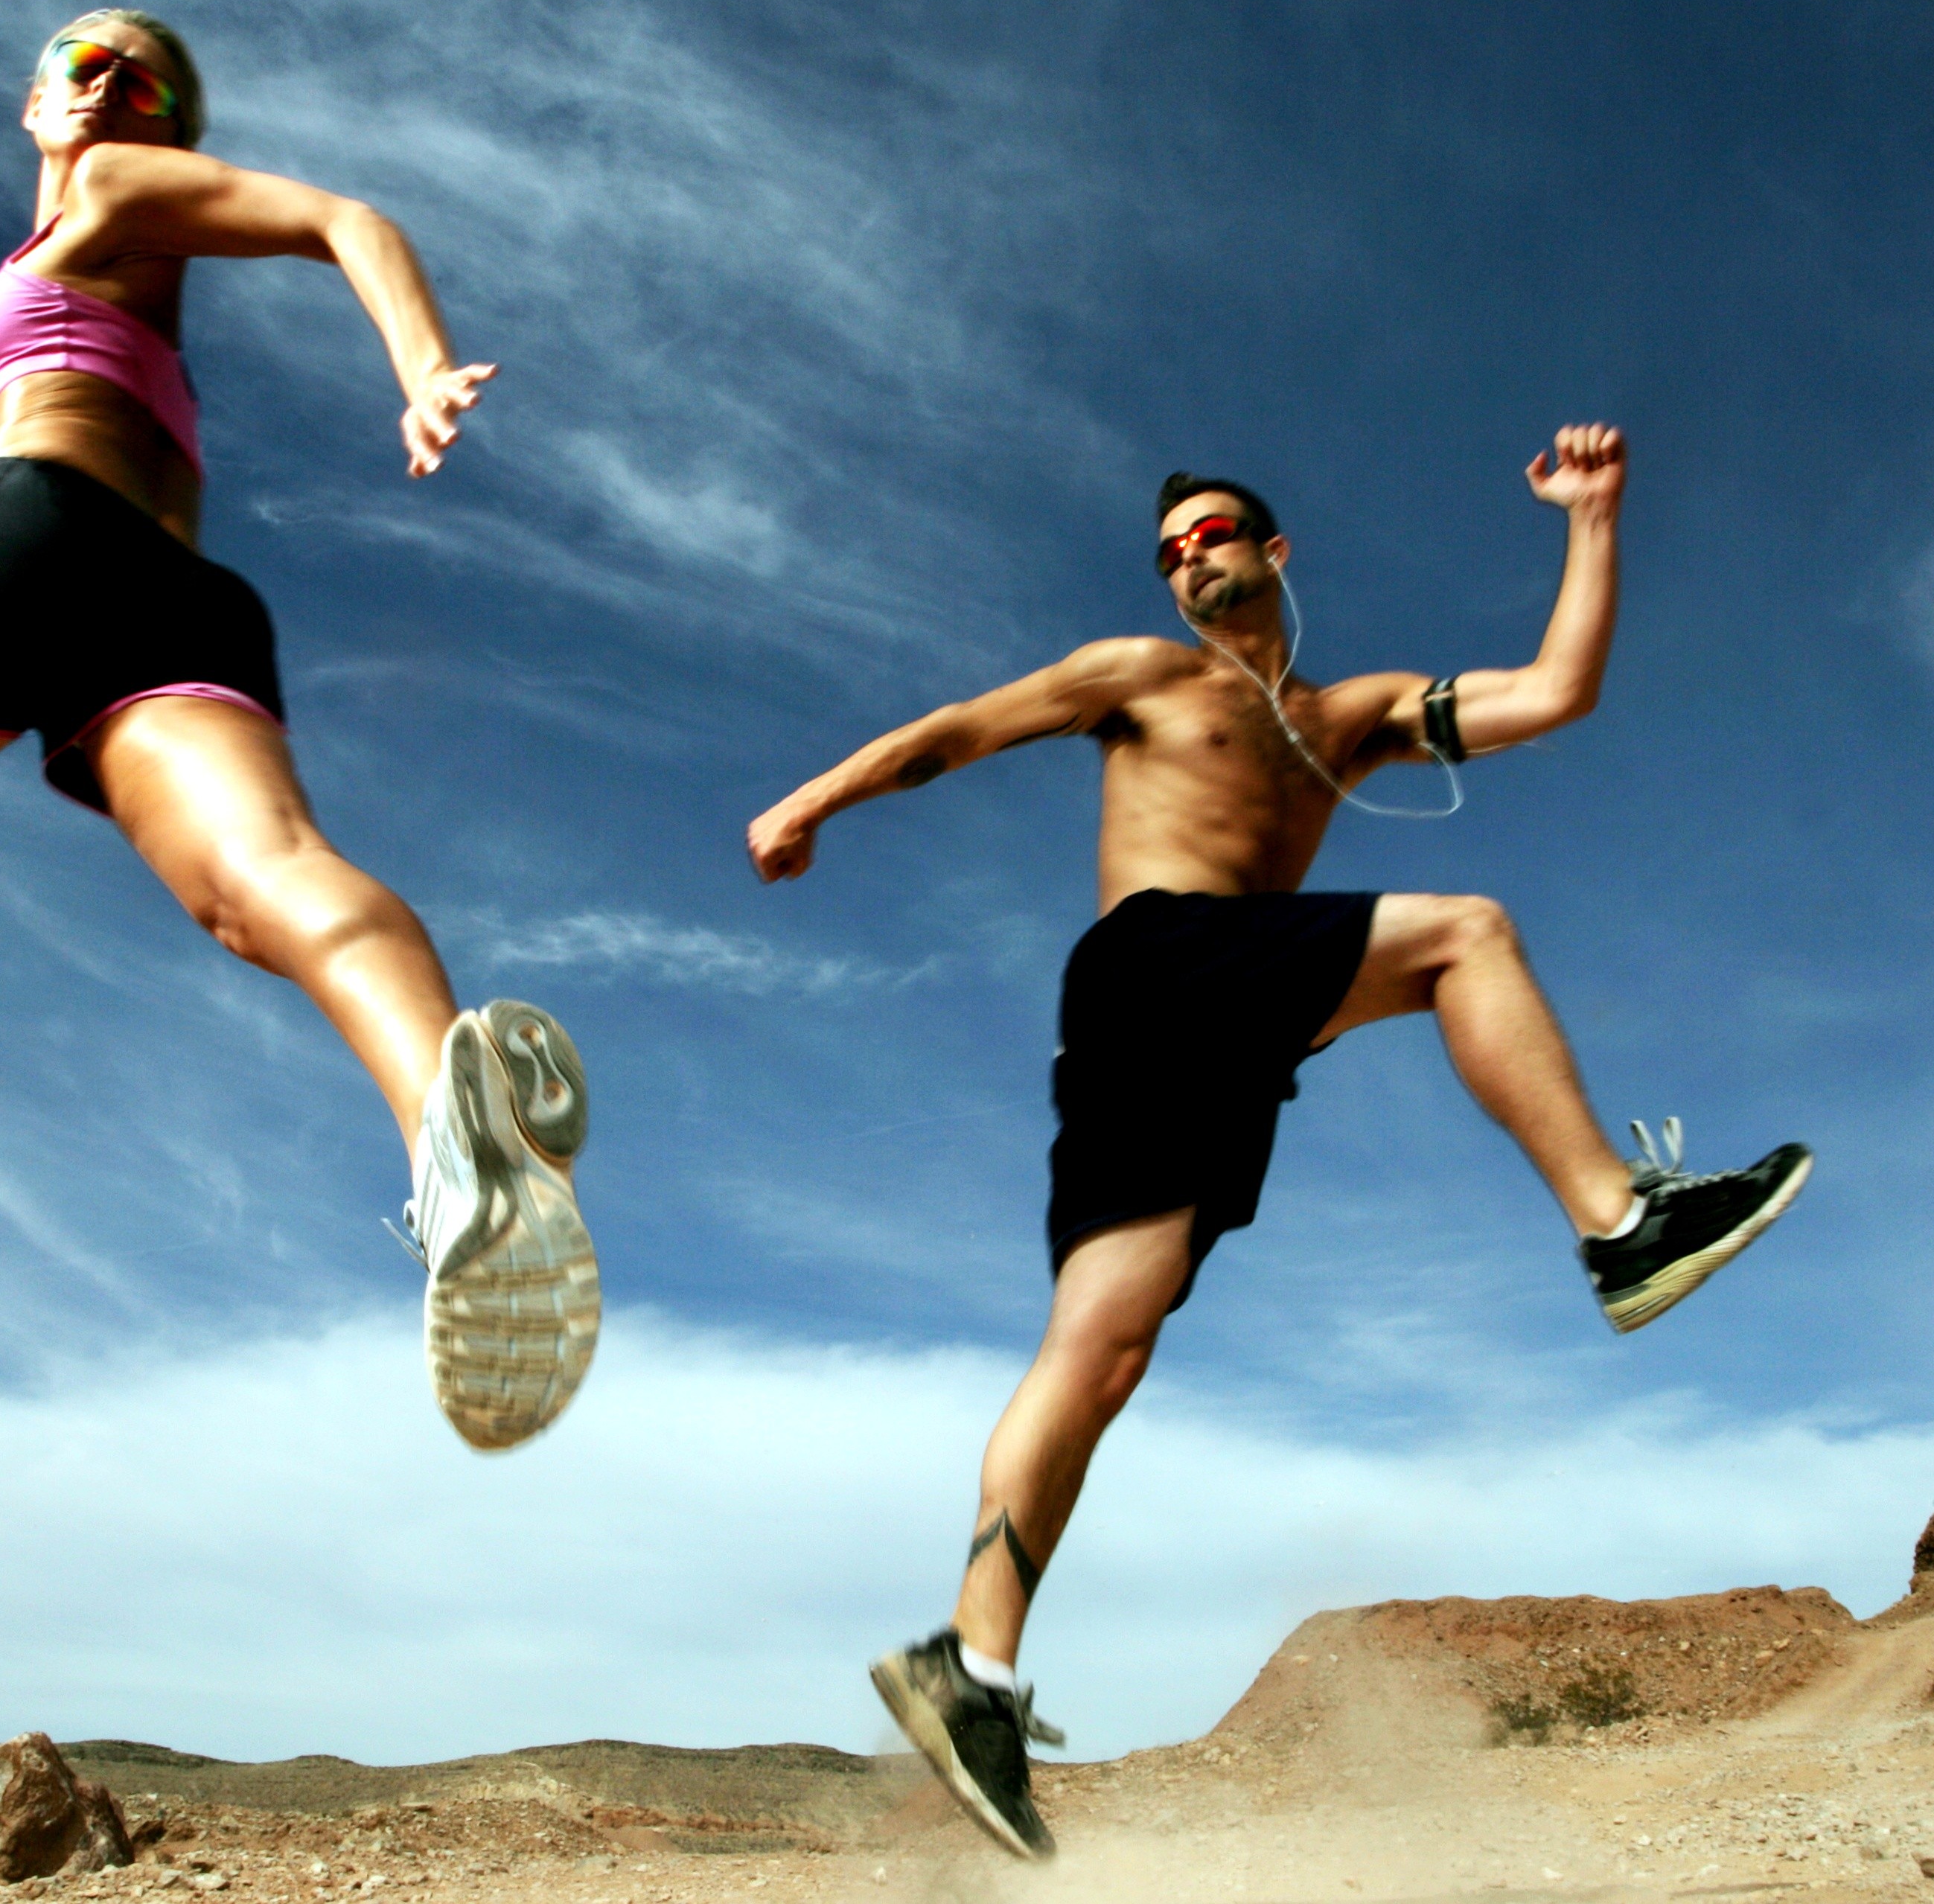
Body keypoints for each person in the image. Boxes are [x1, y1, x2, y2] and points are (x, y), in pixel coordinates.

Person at [744, 429, 1810, 1856]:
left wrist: (1593, 517)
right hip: (1156, 963)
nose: (1188, 557)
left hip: (1234, 1034)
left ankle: (969, 1666)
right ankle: (1623, 1225)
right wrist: (814, 797)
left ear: (1272, 548)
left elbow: (1557, 691)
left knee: (1101, 1348)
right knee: (1465, 932)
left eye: (1211, 533)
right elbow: (959, 730)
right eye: (1169, 548)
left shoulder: (1354, 716)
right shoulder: (1140, 673)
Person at [0, 9, 594, 1451]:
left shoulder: (113, 191)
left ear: (164, 130)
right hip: (173, 599)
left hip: (28, 532)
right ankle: (456, 1142)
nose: (116, 82)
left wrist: (422, 366)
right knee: (266, 881)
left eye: (150, 80)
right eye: (87, 61)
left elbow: (342, 220)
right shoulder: (59, 290)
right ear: (32, 100)